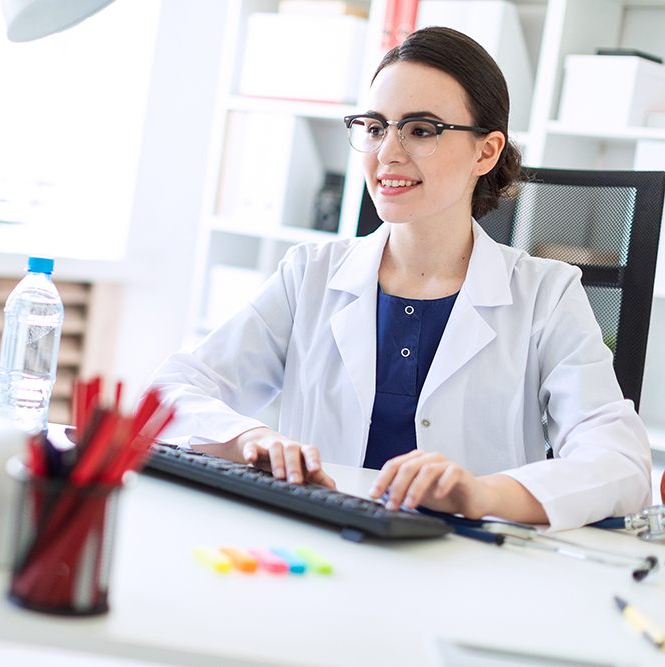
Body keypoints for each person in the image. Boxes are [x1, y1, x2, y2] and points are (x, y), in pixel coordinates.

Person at [147, 26, 652, 531]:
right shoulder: (310, 275)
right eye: (374, 126)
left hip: (468, 570)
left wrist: (482, 493)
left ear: (486, 152)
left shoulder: (545, 294)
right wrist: (247, 439)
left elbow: (621, 463)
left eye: (421, 129)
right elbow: (173, 390)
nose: (387, 152)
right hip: (317, 547)